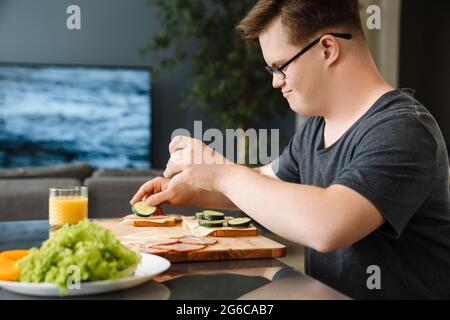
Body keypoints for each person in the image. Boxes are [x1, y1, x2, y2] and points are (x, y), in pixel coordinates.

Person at [131, 0, 450, 299]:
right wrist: (195, 188)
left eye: (280, 67)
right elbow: (268, 185)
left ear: (327, 49)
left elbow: (329, 225)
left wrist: (220, 172)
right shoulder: (316, 128)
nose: (275, 82)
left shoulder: (403, 128)